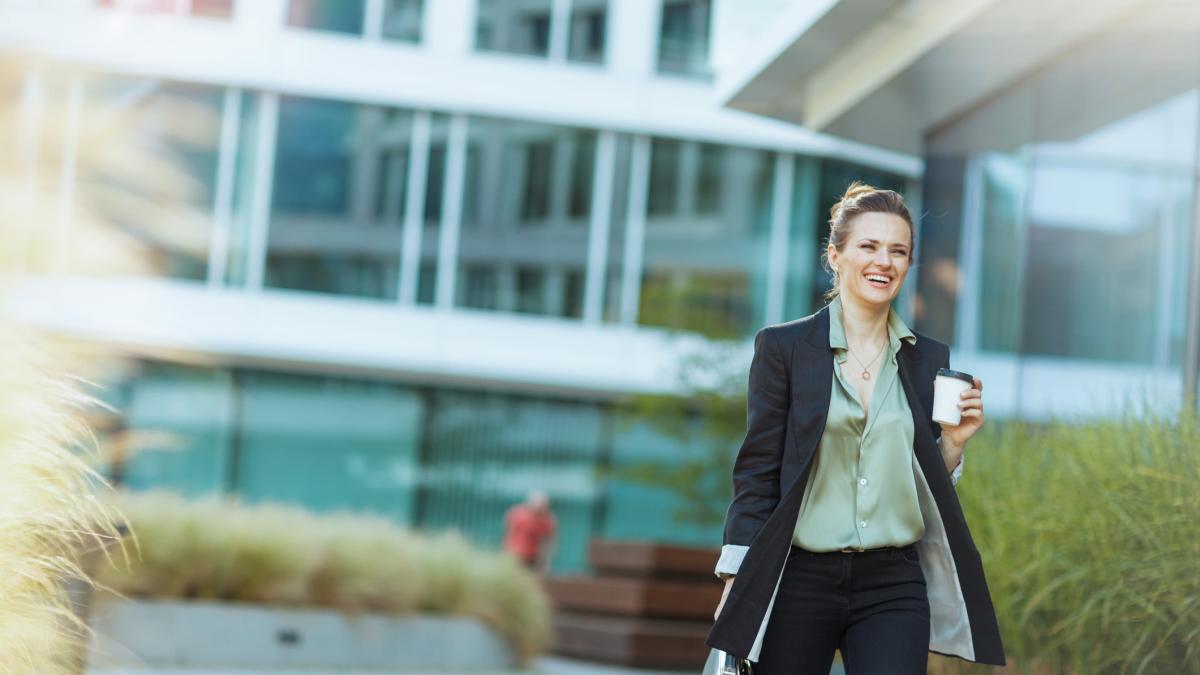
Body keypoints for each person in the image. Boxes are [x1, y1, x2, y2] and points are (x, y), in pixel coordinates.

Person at [706, 183, 1005, 674]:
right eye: (868, 246)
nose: (883, 261)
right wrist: (738, 579)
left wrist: (951, 447)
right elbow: (757, 472)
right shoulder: (784, 349)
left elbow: (916, 480)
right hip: (798, 576)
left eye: (898, 251)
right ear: (836, 255)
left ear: (908, 265)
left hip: (893, 583)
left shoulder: (929, 359)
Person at [503, 489, 557, 572]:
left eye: (542, 508)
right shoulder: (516, 514)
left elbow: (549, 542)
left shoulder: (548, 521)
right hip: (514, 555)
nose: (538, 511)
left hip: (533, 558)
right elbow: (508, 534)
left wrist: (545, 562)